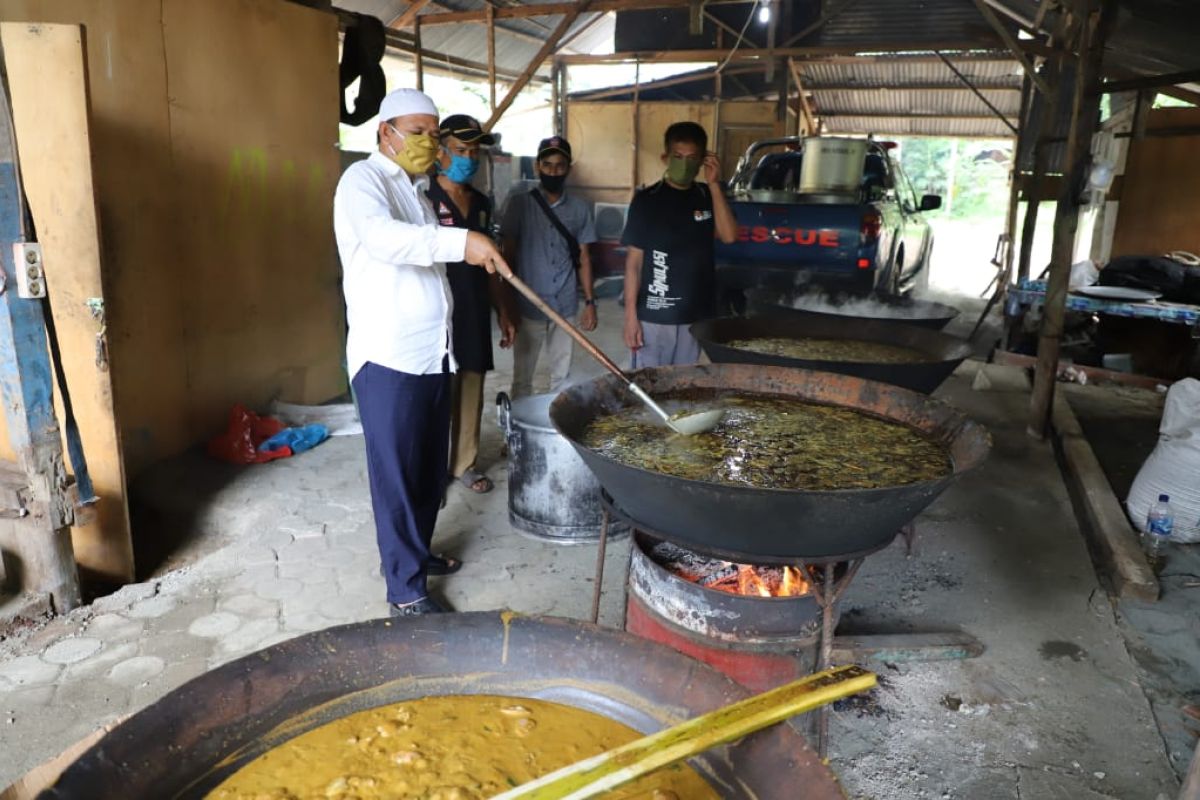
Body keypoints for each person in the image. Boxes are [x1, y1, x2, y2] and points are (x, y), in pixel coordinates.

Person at [333, 89, 511, 617]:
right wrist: (464, 243)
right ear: (384, 132)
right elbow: (386, 241)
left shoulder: (414, 190)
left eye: (433, 133)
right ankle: (405, 593)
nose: (428, 142)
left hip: (432, 354)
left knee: (428, 470)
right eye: (417, 132)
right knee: (397, 476)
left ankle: (415, 554)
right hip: (388, 358)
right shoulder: (361, 183)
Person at [426, 113, 517, 495]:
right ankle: (431, 465)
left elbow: (492, 265)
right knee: (434, 389)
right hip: (434, 313)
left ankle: (463, 463)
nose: (468, 157)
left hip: (474, 308)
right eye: (460, 150)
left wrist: (504, 312)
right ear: (440, 151)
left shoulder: (480, 203)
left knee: (471, 388)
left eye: (474, 151)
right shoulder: (423, 196)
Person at [622, 121, 738, 367]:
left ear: (703, 160)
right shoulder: (646, 201)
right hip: (654, 315)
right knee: (649, 389)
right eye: (678, 156)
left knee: (684, 389)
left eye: (692, 158)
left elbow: (729, 236)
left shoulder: (708, 196)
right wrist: (630, 316)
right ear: (666, 157)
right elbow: (633, 263)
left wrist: (715, 184)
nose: (684, 164)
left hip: (695, 317)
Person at [501, 136, 598, 398]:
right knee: (523, 377)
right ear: (537, 167)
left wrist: (590, 303)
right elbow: (507, 257)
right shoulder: (519, 204)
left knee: (562, 378)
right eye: (547, 165)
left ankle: (555, 434)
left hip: (565, 305)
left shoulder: (580, 209)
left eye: (559, 165)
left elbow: (585, 257)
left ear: (569, 168)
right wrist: (507, 306)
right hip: (528, 304)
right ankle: (520, 434)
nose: (553, 171)